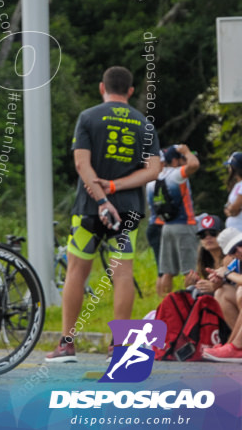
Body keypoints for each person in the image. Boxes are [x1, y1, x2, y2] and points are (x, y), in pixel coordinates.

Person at [46, 66, 161, 363]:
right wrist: (116, 186)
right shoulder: (144, 124)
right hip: (129, 210)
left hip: (89, 207)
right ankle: (119, 347)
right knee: (123, 274)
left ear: (102, 88)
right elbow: (154, 170)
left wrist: (101, 196)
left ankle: (67, 344)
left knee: (76, 271)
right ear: (131, 91)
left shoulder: (88, 117)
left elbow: (82, 166)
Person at [150, 144, 201, 297]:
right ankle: (189, 302)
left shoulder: (154, 179)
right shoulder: (176, 175)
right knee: (190, 270)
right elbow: (194, 164)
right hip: (184, 225)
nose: (185, 161)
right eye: (182, 159)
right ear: (174, 161)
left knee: (167, 271)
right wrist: (185, 151)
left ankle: (164, 303)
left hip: (166, 227)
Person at [201, 228, 242, 361]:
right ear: (230, 255)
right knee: (221, 292)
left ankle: (236, 347)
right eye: (233, 250)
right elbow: (217, 284)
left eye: (241, 244)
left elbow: (230, 274)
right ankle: (233, 346)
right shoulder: (236, 262)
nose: (239, 250)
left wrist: (227, 273)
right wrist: (216, 281)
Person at [223, 152, 242, 231]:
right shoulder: (237, 185)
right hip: (234, 229)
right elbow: (227, 208)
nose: (229, 169)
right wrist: (229, 209)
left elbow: (234, 208)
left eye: (230, 166)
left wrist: (230, 209)